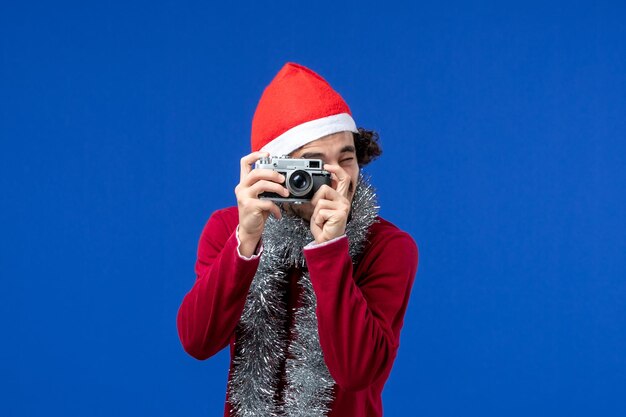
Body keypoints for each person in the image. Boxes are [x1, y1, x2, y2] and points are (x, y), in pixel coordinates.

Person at [177, 62, 419, 417]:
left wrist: (331, 249)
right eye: (313, 165)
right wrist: (245, 240)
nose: (334, 176)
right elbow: (197, 341)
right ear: (273, 168)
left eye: (346, 159)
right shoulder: (228, 227)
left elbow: (357, 372)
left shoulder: (388, 246)